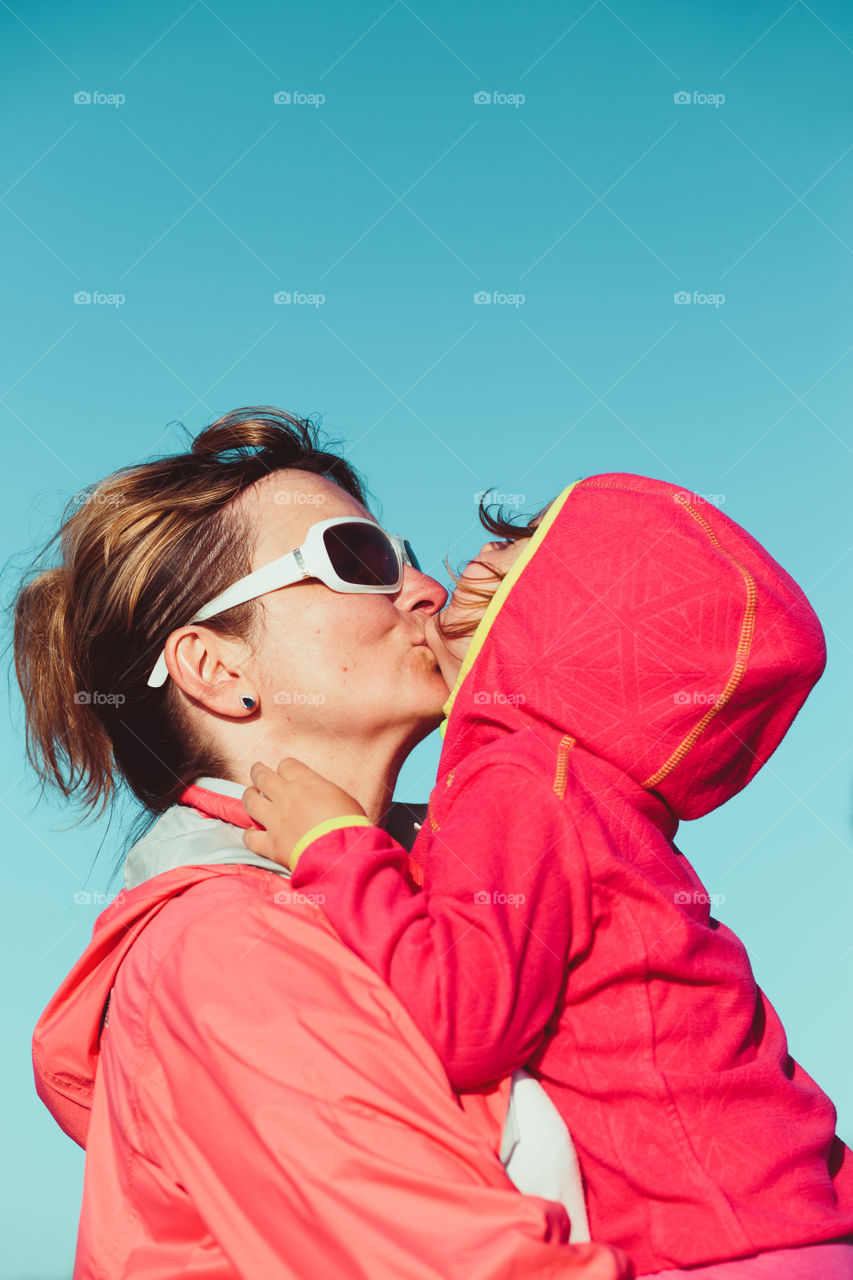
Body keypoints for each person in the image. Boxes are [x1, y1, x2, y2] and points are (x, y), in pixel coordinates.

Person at [16, 409, 631, 1279]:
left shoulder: (465, 904)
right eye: (358, 560)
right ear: (218, 670)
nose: (424, 589)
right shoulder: (228, 950)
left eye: (404, 556)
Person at [240, 473, 853, 1279]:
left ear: (570, 619)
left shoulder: (520, 782)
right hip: (782, 1223)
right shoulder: (591, 794)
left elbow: (466, 1025)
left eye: (514, 554)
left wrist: (334, 844)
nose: (466, 570)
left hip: (720, 1244)